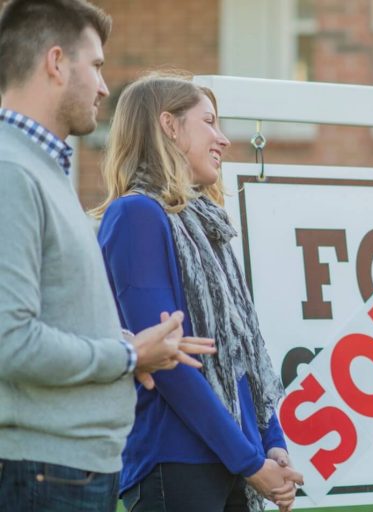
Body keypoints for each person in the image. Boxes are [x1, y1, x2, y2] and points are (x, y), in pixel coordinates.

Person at [0, 2, 216, 512]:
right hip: (43, 473)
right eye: (96, 66)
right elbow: (10, 340)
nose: (103, 86)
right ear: (56, 62)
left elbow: (50, 312)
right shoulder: (12, 172)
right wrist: (128, 356)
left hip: (68, 471)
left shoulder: (42, 169)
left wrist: (123, 342)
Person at [92, 74, 303, 512]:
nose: (223, 139)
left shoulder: (209, 224)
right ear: (169, 126)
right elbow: (170, 360)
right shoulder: (136, 215)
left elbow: (240, 350)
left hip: (234, 459)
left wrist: (271, 442)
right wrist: (249, 461)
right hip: (177, 463)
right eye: (209, 122)